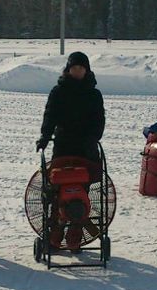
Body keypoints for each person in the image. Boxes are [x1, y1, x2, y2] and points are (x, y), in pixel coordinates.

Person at [36, 51, 106, 250]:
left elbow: (99, 121)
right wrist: (44, 136)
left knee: (81, 190)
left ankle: (75, 232)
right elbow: (50, 116)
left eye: (81, 68)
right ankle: (55, 231)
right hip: (63, 147)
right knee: (57, 191)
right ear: (68, 69)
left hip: (86, 149)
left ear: (87, 70)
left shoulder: (94, 94)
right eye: (74, 68)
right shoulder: (58, 91)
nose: (77, 72)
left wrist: (93, 139)